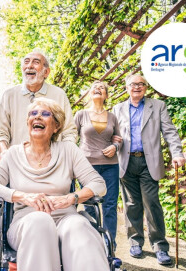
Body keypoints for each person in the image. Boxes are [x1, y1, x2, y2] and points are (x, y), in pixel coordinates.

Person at [0, 97, 110, 271]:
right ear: (28, 122)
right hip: (26, 222)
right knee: (40, 221)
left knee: (78, 226)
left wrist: (71, 198)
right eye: (33, 114)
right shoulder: (13, 154)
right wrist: (23, 196)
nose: (37, 117)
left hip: (65, 217)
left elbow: (98, 184)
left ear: (56, 126)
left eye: (45, 114)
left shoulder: (69, 151)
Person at [112, 74, 185, 265]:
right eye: (133, 84)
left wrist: (176, 152)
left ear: (146, 87)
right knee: (131, 205)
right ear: (126, 87)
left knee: (152, 204)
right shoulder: (117, 108)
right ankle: (135, 242)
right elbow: (114, 135)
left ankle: (160, 246)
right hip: (126, 161)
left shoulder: (157, 106)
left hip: (148, 162)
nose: (137, 87)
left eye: (141, 84)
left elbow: (169, 131)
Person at [0, 50, 77, 161]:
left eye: (36, 62)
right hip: (18, 162)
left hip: (52, 162)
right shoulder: (9, 95)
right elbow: (0, 131)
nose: (29, 66)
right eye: (26, 62)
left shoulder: (59, 94)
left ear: (46, 72)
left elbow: (69, 131)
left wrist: (66, 155)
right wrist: (4, 151)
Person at [74, 80, 122, 247]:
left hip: (110, 166)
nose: (97, 89)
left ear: (106, 95)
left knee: (110, 205)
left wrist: (115, 146)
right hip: (87, 166)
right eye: (94, 87)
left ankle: (109, 244)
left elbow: (119, 139)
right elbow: (71, 139)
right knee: (90, 204)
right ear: (89, 94)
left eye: (102, 87)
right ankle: (94, 243)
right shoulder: (81, 115)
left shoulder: (113, 117)